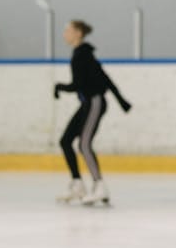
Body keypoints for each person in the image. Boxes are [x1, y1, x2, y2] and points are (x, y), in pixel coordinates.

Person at [54, 20, 132, 205]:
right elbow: (104, 78)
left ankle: (100, 187)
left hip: (95, 102)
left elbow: (82, 84)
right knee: (65, 141)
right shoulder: (81, 54)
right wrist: (121, 101)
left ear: (78, 33)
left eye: (68, 30)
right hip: (87, 104)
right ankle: (78, 184)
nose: (65, 33)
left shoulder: (83, 55)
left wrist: (59, 87)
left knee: (84, 144)